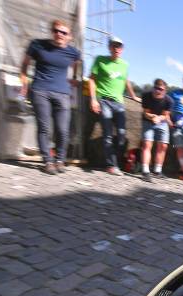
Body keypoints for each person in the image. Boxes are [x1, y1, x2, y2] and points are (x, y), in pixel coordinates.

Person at [20, 19, 81, 175]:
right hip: (40, 90)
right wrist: (24, 80)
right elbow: (25, 63)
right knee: (44, 128)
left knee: (62, 130)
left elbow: (78, 63)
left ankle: (60, 160)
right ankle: (47, 161)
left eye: (63, 32)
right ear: (52, 32)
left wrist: (74, 77)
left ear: (69, 36)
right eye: (56, 31)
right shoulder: (37, 45)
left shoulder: (73, 52)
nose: (59, 34)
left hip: (63, 93)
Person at [88, 36, 141, 176]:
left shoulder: (125, 64)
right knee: (107, 135)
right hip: (104, 101)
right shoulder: (100, 59)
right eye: (114, 46)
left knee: (122, 135)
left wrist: (134, 96)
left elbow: (126, 81)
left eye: (119, 46)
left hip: (119, 103)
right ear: (109, 47)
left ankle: (117, 160)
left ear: (122, 49)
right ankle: (111, 165)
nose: (117, 49)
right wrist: (93, 99)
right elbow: (92, 80)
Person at [139, 78, 173, 182]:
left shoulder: (169, 101)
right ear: (153, 88)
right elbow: (145, 112)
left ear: (165, 90)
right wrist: (152, 116)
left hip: (162, 122)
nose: (158, 91)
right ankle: (145, 171)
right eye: (156, 88)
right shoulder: (146, 96)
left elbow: (165, 115)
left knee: (163, 145)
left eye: (161, 89)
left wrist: (159, 118)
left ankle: (157, 171)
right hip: (148, 121)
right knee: (147, 144)